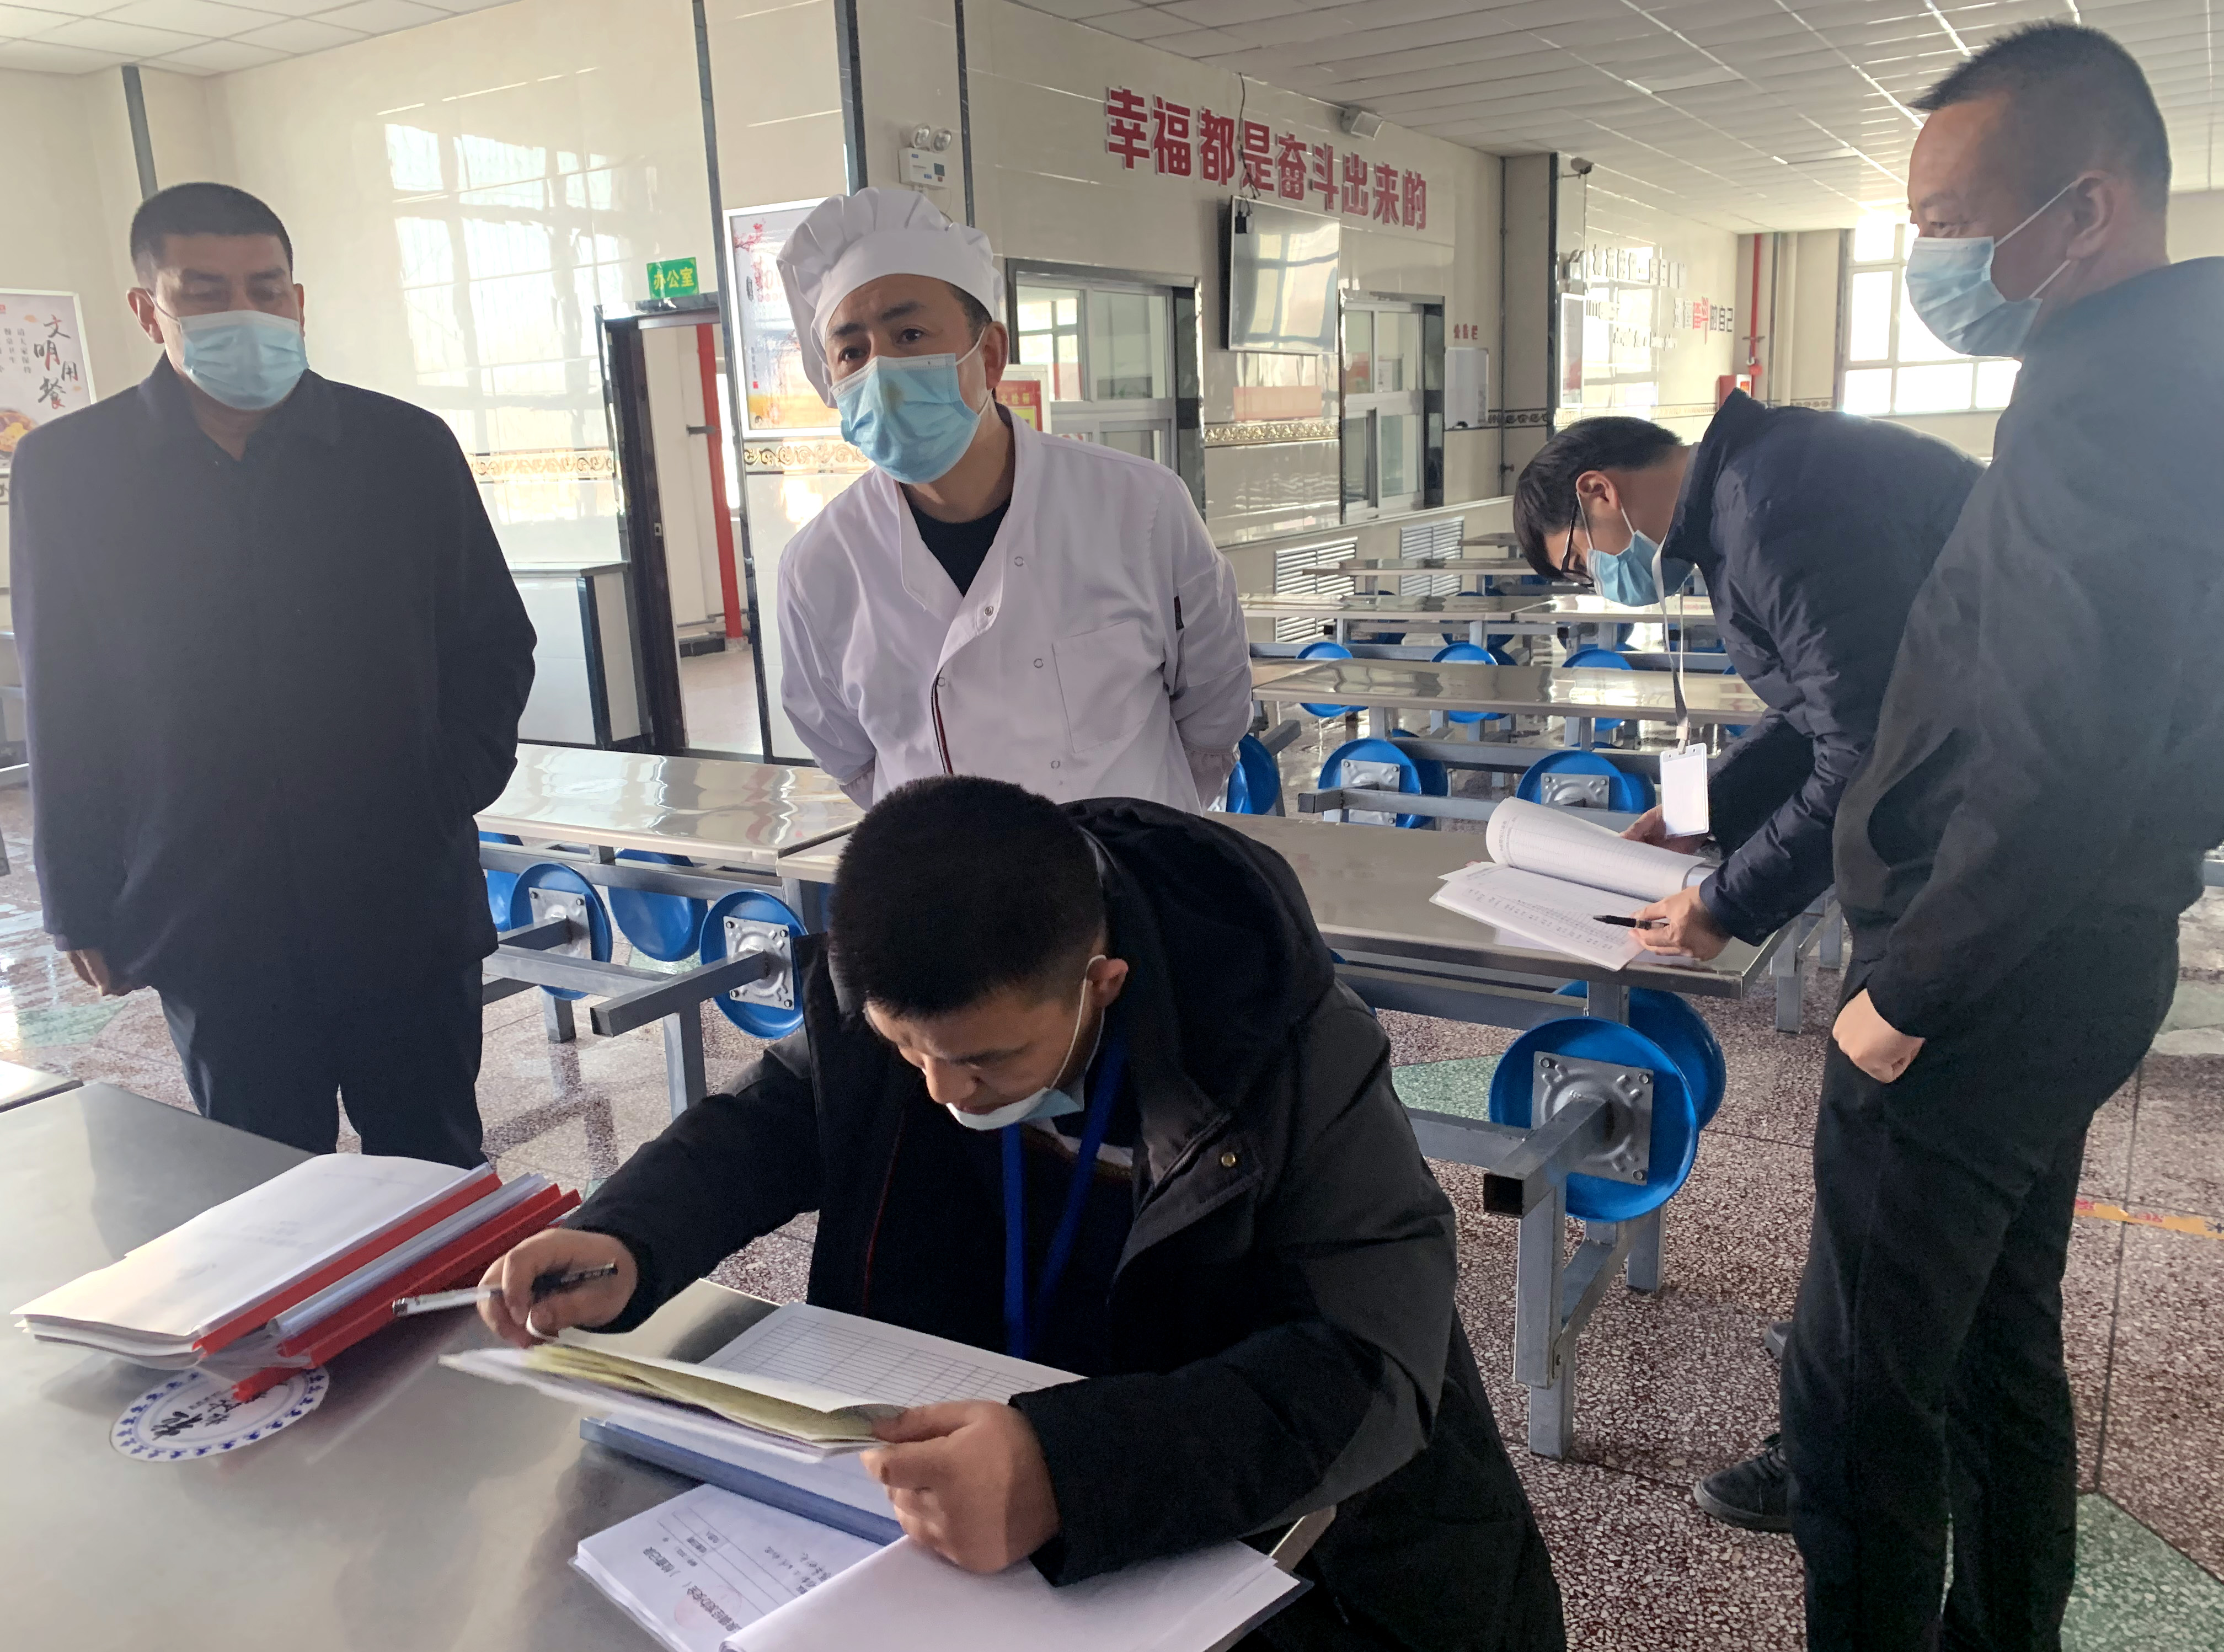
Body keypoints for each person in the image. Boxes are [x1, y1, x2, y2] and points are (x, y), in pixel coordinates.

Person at [479, 776, 1567, 1651]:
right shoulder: (909, 986)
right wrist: (630, 1234)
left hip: (1301, 1545)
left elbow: (1370, 1370)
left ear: (1101, 983)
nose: (941, 1088)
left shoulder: (1286, 1047)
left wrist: (1071, 1473)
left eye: (986, 1061)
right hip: (987, 1503)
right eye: (908, 1050)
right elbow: (777, 1117)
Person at [1787, 25, 2224, 1651]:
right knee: (1992, 1341)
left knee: (1854, 1390)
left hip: (1992, 971)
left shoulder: (2106, 400)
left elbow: (2062, 744)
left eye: (1952, 224)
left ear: (2086, 209)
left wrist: (1907, 992)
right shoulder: (2176, 369)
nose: (1934, 262)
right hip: (2086, 943)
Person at [10, 182, 534, 1167]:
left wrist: (442, 791)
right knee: (261, 1186)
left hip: (399, 893)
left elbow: (493, 643)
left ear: (298, 299)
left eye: (265, 287)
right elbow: (64, 695)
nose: (243, 312)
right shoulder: (72, 471)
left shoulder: (402, 449)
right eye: (205, 292)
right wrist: (76, 896)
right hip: (206, 906)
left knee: (432, 1170)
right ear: (147, 309)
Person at [773, 189, 1251, 811]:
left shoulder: (1142, 509)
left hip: (1123, 864)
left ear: (991, 355)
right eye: (852, 352)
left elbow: (1213, 719)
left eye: (910, 334)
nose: (881, 374)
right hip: (944, 870)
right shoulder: (818, 566)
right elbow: (851, 760)